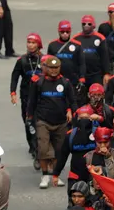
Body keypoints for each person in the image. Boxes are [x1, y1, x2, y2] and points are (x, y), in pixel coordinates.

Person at [28, 56, 77, 189]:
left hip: (61, 122)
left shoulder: (65, 83)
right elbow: (31, 101)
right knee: (43, 149)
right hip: (43, 121)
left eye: (56, 68)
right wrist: (29, 118)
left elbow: (72, 101)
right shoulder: (39, 82)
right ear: (46, 68)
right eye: (51, 68)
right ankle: (45, 175)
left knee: (59, 150)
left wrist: (72, 112)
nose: (54, 70)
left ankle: (56, 174)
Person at [10, 33, 43, 160]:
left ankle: (38, 147)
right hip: (26, 96)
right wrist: (13, 93)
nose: (30, 45)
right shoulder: (22, 60)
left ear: (39, 45)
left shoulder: (45, 60)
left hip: (41, 96)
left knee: (39, 121)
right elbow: (14, 77)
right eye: (28, 42)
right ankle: (32, 144)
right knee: (28, 121)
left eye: (33, 42)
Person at [48, 21, 87, 90]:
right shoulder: (52, 45)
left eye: (67, 32)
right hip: (56, 78)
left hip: (73, 79)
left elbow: (82, 63)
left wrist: (82, 77)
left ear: (70, 32)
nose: (65, 34)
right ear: (59, 32)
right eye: (62, 32)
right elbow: (48, 63)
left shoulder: (77, 45)